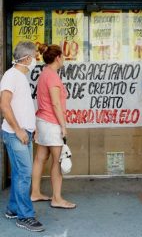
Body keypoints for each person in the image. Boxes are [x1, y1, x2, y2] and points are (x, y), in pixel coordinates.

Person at [0, 41, 45, 232]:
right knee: (25, 174)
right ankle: (25, 216)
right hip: (15, 134)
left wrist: (30, 127)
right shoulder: (11, 76)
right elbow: (4, 105)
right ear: (27, 58)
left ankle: (12, 209)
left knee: (20, 173)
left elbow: (21, 107)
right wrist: (18, 129)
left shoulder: (20, 76)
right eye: (35, 56)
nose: (36, 59)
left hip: (23, 133)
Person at [30, 43, 76, 209]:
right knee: (58, 161)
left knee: (40, 158)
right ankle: (57, 198)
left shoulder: (44, 74)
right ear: (58, 58)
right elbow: (56, 104)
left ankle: (35, 192)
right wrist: (63, 126)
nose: (63, 58)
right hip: (52, 123)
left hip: (42, 121)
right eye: (62, 56)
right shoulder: (53, 77)